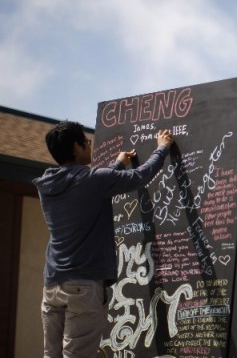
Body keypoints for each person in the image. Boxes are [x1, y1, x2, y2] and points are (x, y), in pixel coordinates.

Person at [33, 121, 174, 358]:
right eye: (87, 142)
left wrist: (117, 164)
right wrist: (162, 148)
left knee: (51, 354)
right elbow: (140, 176)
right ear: (76, 148)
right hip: (84, 285)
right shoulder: (93, 180)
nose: (90, 146)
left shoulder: (47, 185)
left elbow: (90, 185)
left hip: (52, 284)